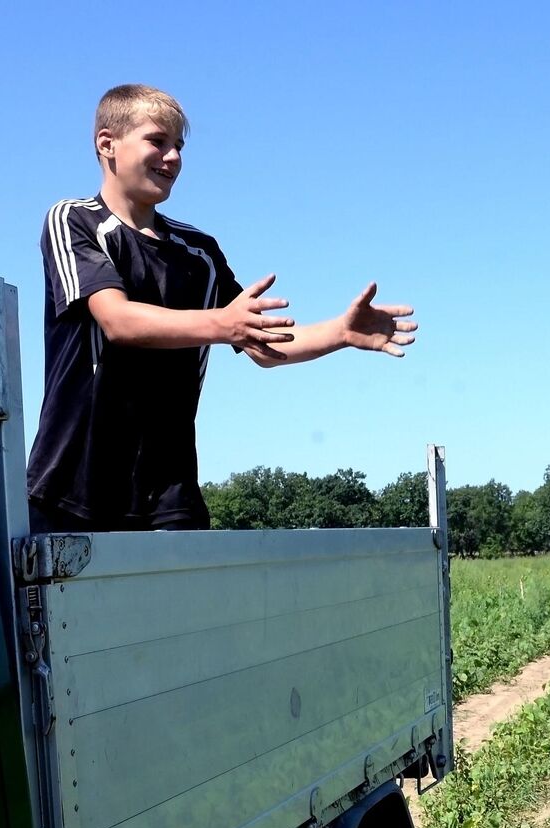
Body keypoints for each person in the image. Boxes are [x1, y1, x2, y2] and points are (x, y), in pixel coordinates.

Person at [26, 84, 417, 532]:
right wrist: (222, 324)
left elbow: (260, 345)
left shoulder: (199, 251)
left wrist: (340, 333)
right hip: (71, 489)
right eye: (157, 141)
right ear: (107, 144)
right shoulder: (75, 220)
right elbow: (118, 321)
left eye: (179, 147)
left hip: (169, 500)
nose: (173, 157)